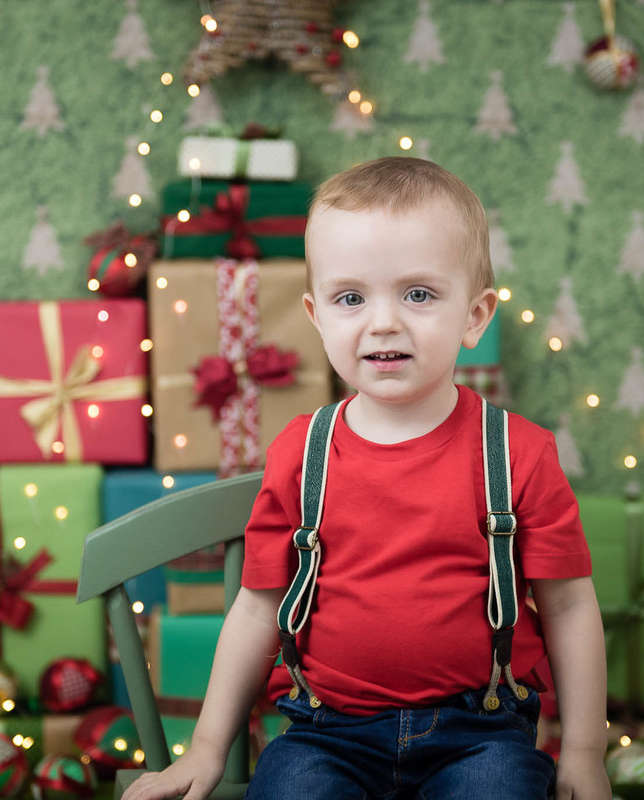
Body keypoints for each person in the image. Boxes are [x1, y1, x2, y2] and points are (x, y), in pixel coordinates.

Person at [124, 157, 611, 800]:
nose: (383, 322)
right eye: (351, 298)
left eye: (418, 294)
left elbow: (571, 607)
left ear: (474, 315)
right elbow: (258, 607)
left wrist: (584, 751)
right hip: (326, 734)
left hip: (481, 733)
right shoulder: (302, 454)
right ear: (317, 314)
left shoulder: (517, 453)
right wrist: (208, 748)